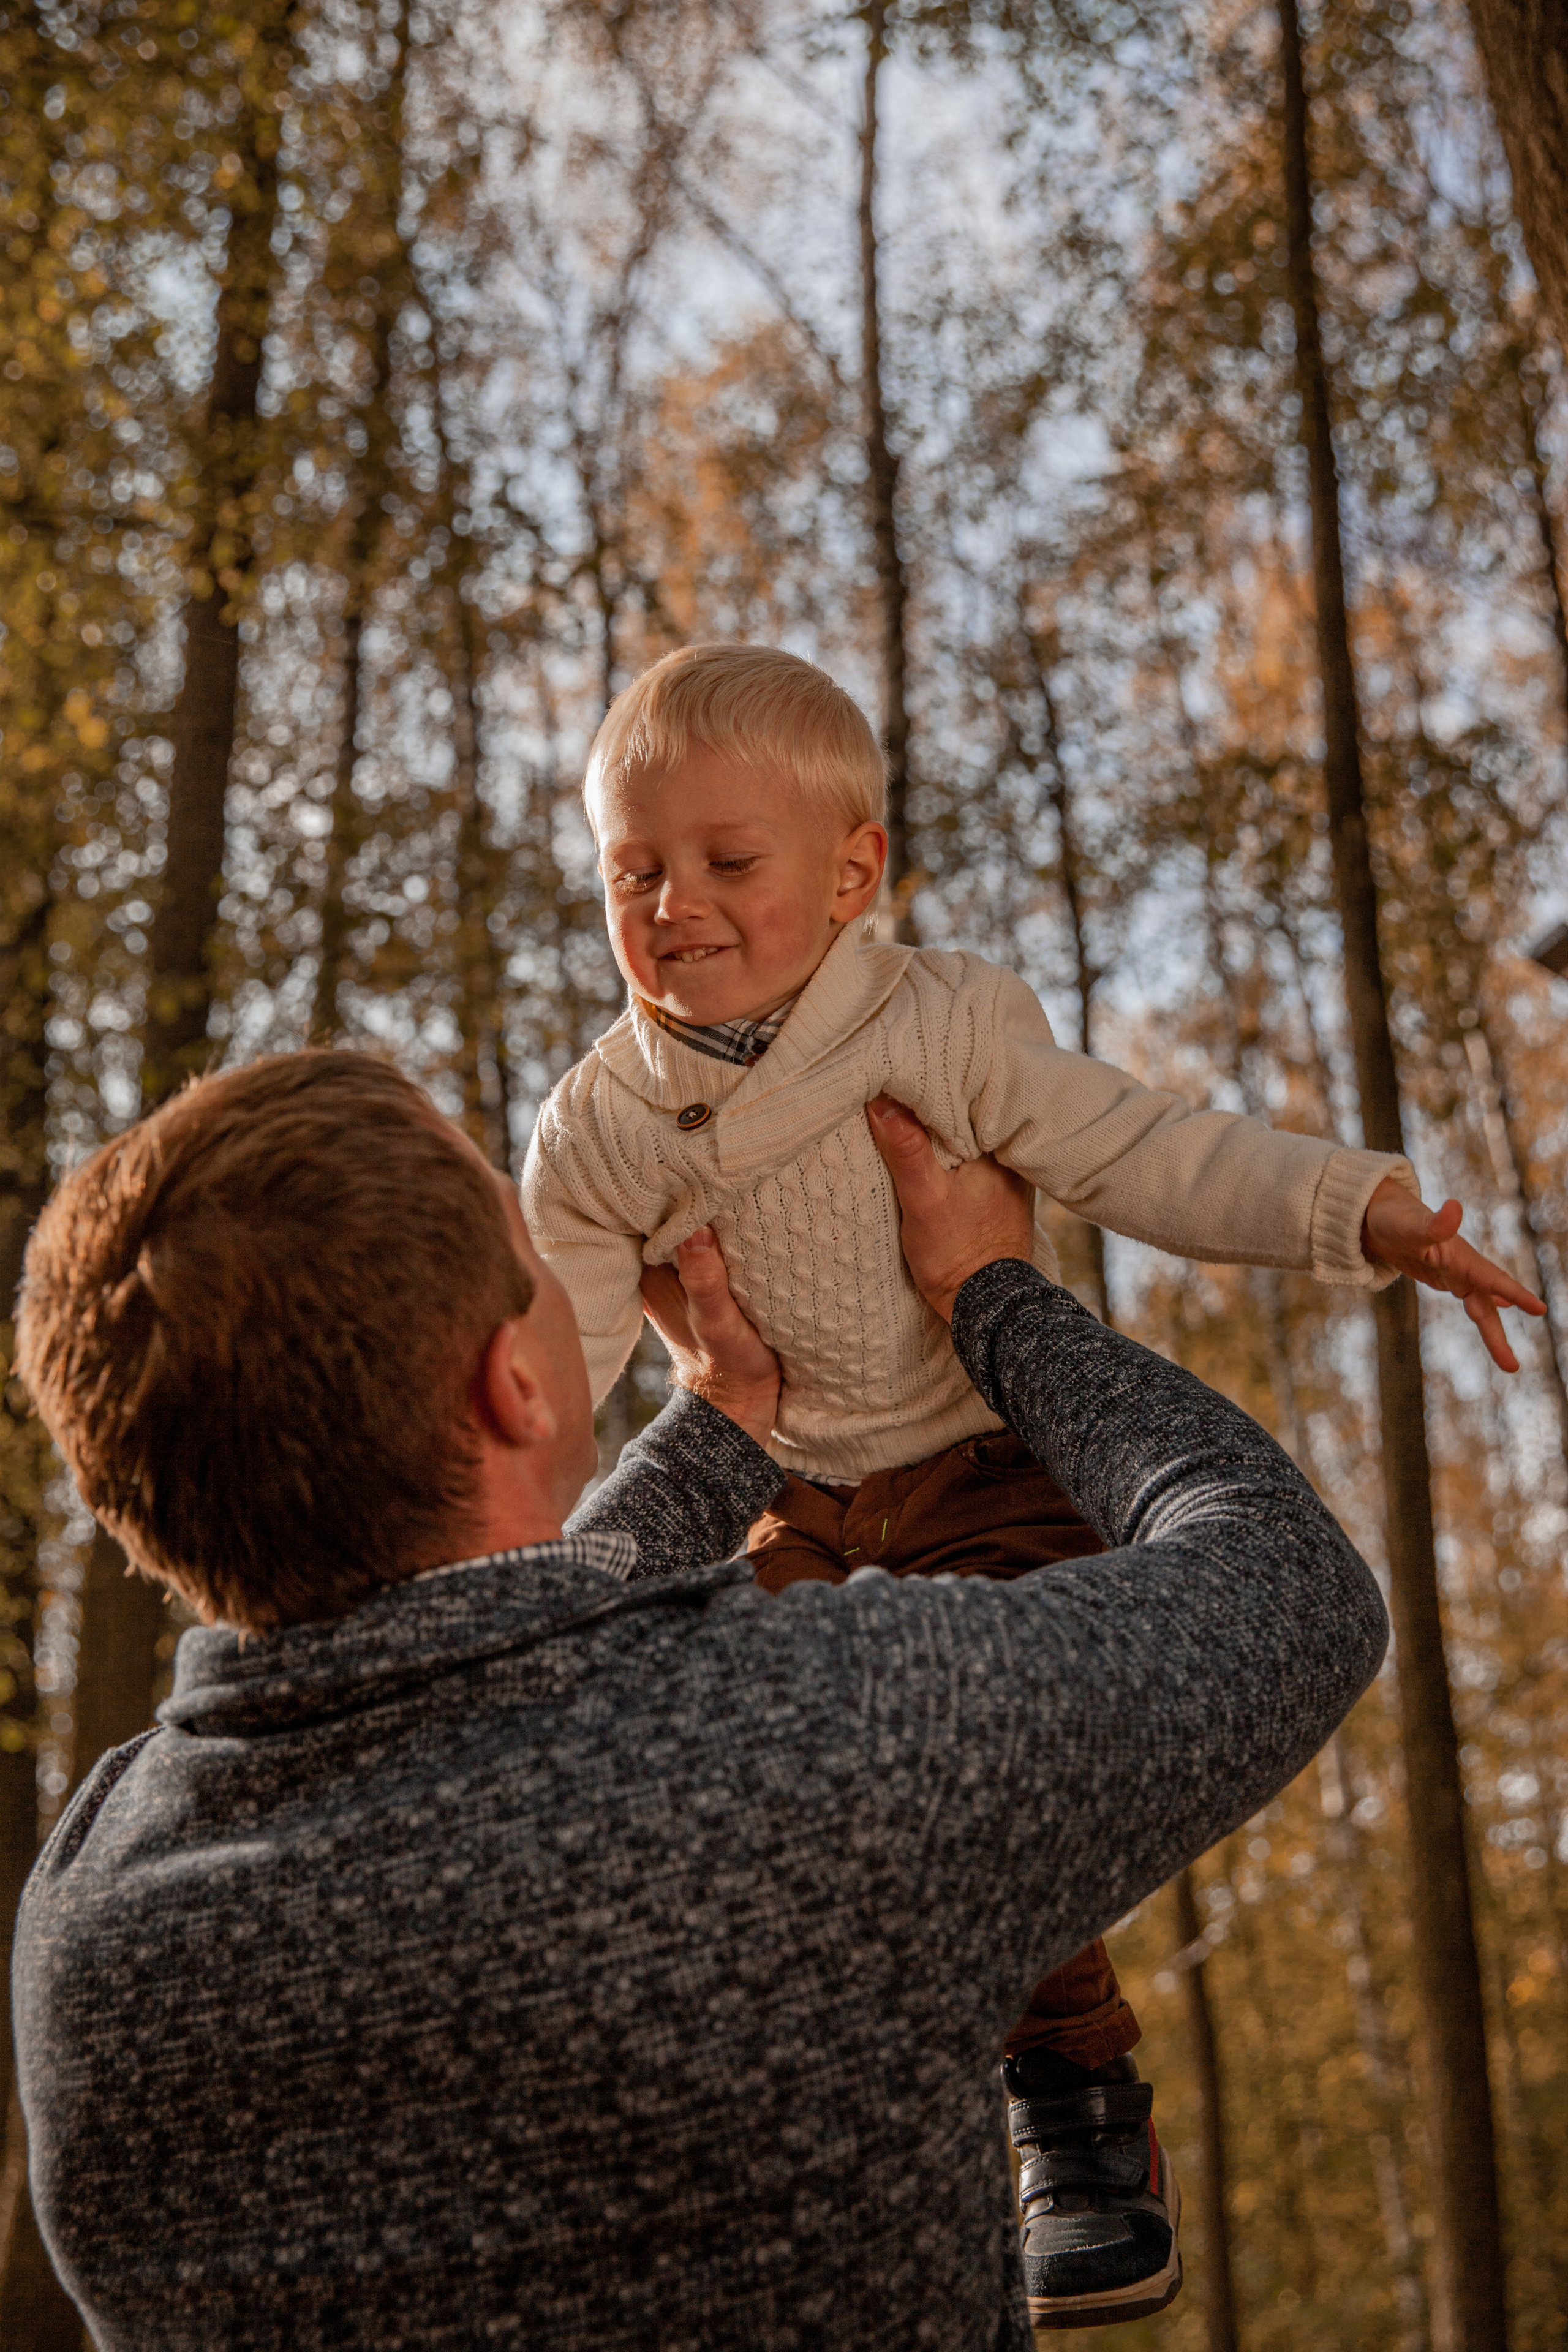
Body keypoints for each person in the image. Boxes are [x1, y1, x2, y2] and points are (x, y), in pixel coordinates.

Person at [12, 1049, 1386, 2351]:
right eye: (531, 1256)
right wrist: (994, 1292)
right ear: (514, 1383)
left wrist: (725, 1421)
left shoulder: (89, 1917)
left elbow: (479, 1647)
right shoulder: (814, 1748)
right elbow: (1283, 1581)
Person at [521, 639, 1543, 2322]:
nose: (672, 905)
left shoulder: (944, 1025)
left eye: (726, 862)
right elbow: (543, 1359)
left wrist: (1364, 1213)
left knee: (978, 1775)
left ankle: (1070, 2092)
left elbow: (1146, 1147)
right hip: (788, 1501)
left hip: (986, 1468)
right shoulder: (604, 1123)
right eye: (633, 871)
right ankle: (811, 2124)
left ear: (854, 873)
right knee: (742, 1776)